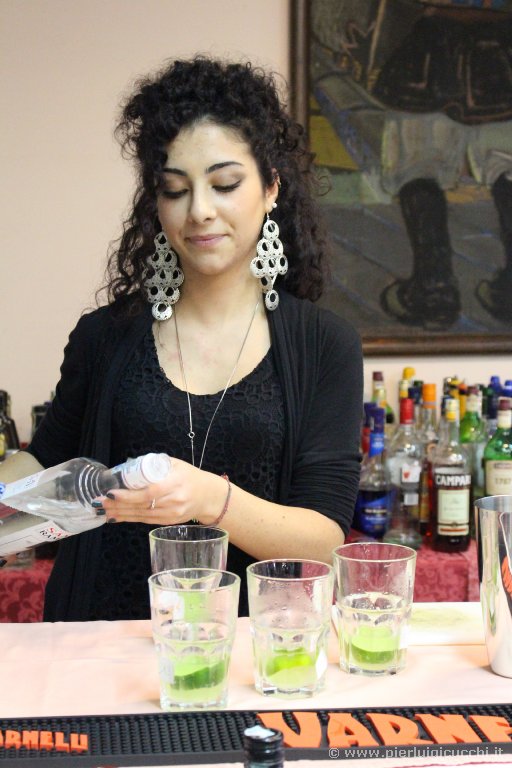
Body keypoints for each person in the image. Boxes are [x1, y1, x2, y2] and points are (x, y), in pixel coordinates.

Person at [0, 56, 363, 620]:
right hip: (104, 639)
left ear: (271, 187)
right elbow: (45, 463)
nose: (200, 211)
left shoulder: (324, 346)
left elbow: (323, 541)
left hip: (253, 646)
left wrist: (209, 498)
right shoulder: (105, 336)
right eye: (175, 189)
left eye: (225, 184)